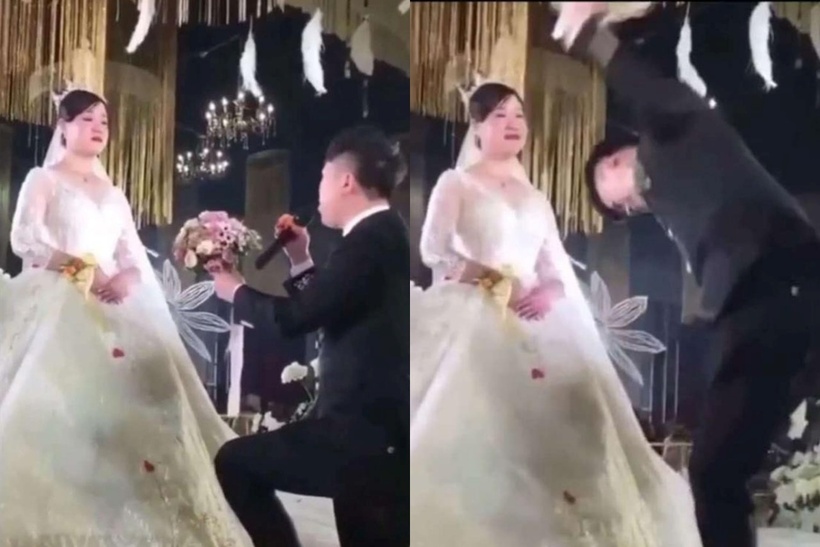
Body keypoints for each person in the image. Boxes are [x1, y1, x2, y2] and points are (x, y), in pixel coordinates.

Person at [555, 3, 820, 546]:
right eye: (619, 208)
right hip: (773, 297)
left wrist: (588, 34)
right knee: (720, 468)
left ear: (621, 154)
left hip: (774, 283)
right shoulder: (675, 200)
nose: (623, 197)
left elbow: (649, 90)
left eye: (612, 177)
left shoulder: (670, 134)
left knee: (714, 474)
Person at [410, 81, 703, 546]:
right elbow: (434, 249)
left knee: (575, 427)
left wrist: (549, 291)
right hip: (476, 313)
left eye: (518, 116)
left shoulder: (535, 197)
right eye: (499, 116)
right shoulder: (457, 183)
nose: (513, 125)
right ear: (477, 126)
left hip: (539, 319)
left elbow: (552, 264)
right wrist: (493, 280)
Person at [0, 88, 253, 544]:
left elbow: (132, 255)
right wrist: (83, 271)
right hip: (60, 299)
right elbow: (25, 239)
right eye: (87, 119)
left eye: (104, 121)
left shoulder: (114, 194)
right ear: (63, 126)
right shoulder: (44, 179)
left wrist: (127, 279)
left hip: (115, 304)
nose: (98, 127)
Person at [209, 125, 410, 547]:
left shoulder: (370, 240)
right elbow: (328, 305)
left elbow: (295, 318)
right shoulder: (380, 235)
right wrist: (300, 257)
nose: (319, 189)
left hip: (361, 435)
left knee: (235, 462)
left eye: (322, 176)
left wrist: (236, 292)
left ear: (345, 181)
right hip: (371, 434)